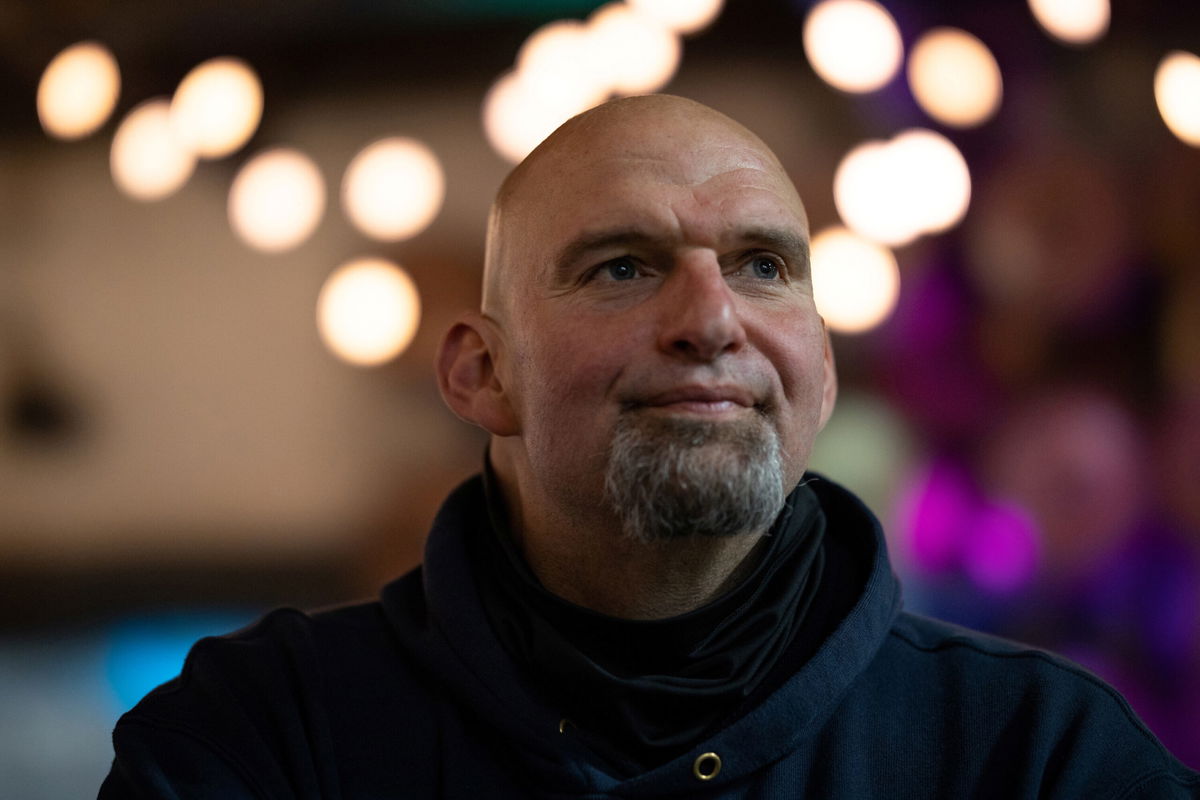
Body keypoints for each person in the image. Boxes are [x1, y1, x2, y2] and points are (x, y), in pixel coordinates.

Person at [99, 95, 1199, 798]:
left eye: (764, 265)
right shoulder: (265, 740)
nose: (712, 318)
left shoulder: (1034, 754)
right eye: (622, 265)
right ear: (480, 373)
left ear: (816, 362)